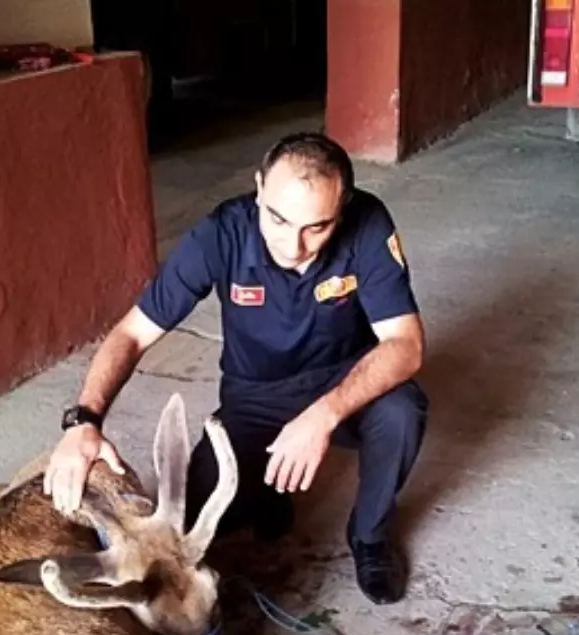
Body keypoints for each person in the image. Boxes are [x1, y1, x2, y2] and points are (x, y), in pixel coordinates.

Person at [44, 132, 428, 605]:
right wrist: (84, 420)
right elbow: (132, 333)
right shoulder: (221, 235)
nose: (293, 245)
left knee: (403, 409)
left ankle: (369, 536)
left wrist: (322, 415)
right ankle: (269, 491)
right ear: (259, 188)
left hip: (341, 381)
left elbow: (406, 345)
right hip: (256, 396)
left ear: (343, 207)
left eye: (317, 227)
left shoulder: (368, 224)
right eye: (278, 219)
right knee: (185, 532)